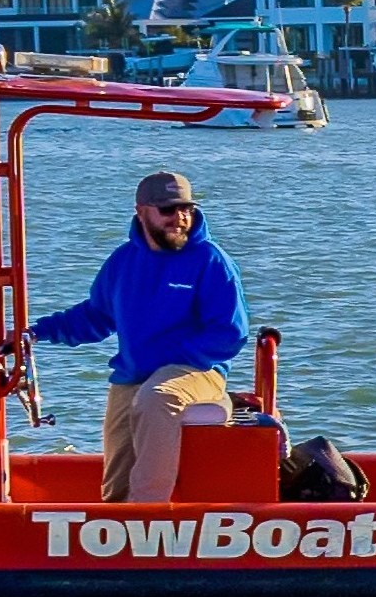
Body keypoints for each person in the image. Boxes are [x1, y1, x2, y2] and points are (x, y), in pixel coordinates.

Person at [35, 166, 244, 500]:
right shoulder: (123, 261)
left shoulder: (211, 260)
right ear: (141, 211)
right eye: (168, 210)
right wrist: (35, 332)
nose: (179, 217)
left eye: (187, 209)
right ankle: (115, 517)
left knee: (157, 397)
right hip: (134, 374)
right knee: (122, 430)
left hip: (197, 370)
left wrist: (167, 358)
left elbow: (229, 334)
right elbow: (95, 316)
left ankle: (148, 511)